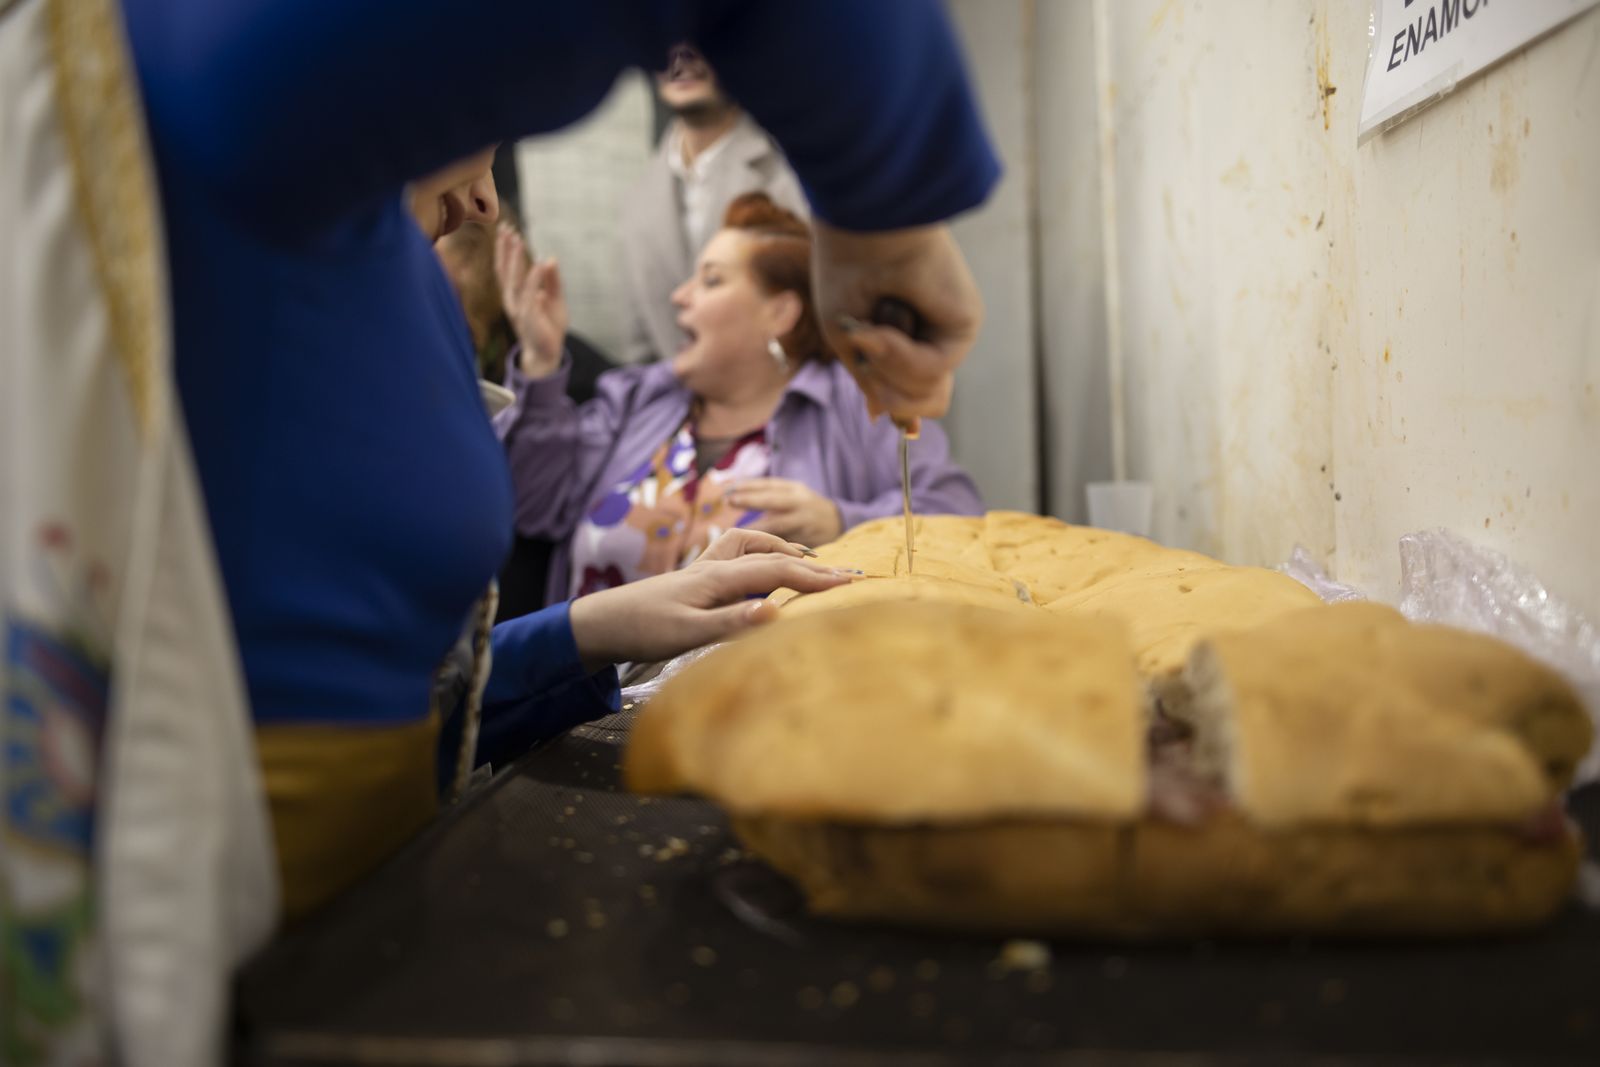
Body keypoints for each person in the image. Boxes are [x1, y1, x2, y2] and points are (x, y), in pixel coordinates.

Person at [68, 2, 997, 1061]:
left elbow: (415, 686)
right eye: (485, 141)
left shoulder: (383, 259)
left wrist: (602, 625)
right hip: (212, 954)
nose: (484, 198)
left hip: (370, 932)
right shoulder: (232, 103)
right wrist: (887, 222)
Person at [498, 193, 984, 604]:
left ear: (780, 312)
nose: (680, 296)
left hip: (768, 681)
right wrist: (541, 362)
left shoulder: (856, 401)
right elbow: (534, 505)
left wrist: (842, 522)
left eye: (711, 280)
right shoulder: (635, 397)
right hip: (595, 689)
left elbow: (959, 514)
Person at [620, 43, 808, 365]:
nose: (681, 57)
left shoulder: (796, 175)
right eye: (667, 39)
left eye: (698, 36)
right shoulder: (638, 199)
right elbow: (640, 352)